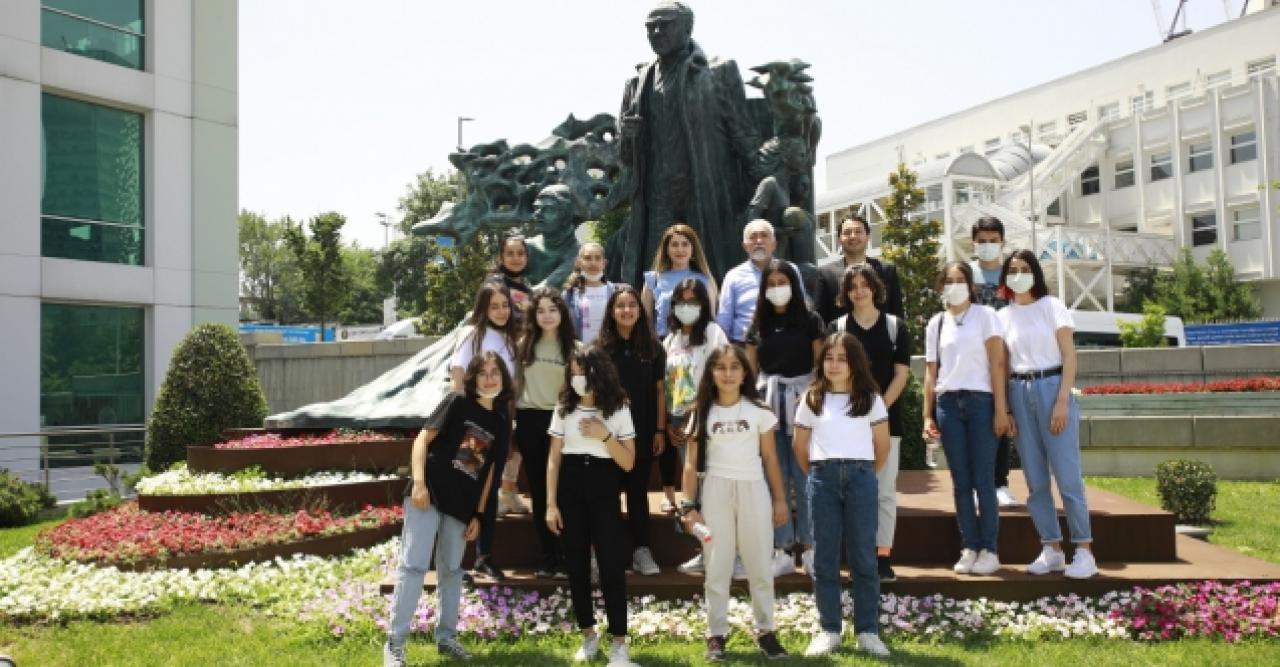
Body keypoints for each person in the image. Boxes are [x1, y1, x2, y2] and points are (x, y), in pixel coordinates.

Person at [615, 0, 760, 285]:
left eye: (665, 25)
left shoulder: (717, 71)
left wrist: (763, 175)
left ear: (686, 28)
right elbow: (625, 159)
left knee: (710, 268)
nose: (657, 32)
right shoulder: (636, 84)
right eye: (651, 27)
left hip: (703, 189)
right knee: (657, 272)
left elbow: (742, 133)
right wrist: (629, 137)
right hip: (657, 195)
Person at [383, 352, 512, 666]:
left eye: (495, 372)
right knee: (414, 567)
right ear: (473, 378)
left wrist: (479, 514)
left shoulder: (500, 422)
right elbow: (421, 440)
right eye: (483, 373)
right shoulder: (456, 402)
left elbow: (489, 473)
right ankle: (395, 644)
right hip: (427, 496)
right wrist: (419, 484)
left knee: (452, 572)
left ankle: (447, 638)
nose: (490, 379)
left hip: (462, 508)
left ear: (503, 377)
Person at [677, 344, 790, 661]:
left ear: (745, 373)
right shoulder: (701, 412)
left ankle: (766, 631)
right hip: (715, 490)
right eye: (720, 367)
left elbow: (770, 458)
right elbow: (691, 464)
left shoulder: (759, 411)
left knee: (760, 564)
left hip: (754, 489)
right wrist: (688, 506)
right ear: (711, 373)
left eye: (734, 367)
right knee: (717, 563)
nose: (727, 373)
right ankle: (716, 633)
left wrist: (780, 499)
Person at [998, 250, 1097, 579]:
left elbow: (1069, 355)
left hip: (1052, 386)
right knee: (1035, 479)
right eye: (1012, 270)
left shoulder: (1052, 306)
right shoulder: (1003, 316)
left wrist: (1062, 400)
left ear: (1035, 273)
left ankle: (1083, 550)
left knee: (1068, 477)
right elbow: (1002, 365)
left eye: (1024, 269)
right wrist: (1007, 408)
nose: (1018, 275)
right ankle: (1051, 547)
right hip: (1019, 390)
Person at [793, 332, 891, 658]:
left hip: (861, 477)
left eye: (842, 359)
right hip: (823, 479)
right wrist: (820, 474)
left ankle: (867, 630)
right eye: (829, 358)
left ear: (855, 363)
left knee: (864, 556)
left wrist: (863, 473)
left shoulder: (870, 399)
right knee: (824, 557)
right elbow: (799, 446)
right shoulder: (812, 398)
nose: (834, 365)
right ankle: (829, 629)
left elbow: (882, 446)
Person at [545, 347, 640, 666]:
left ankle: (619, 643)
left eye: (582, 372)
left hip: (604, 486)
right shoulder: (564, 408)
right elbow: (554, 459)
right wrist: (550, 503)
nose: (577, 379)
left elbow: (628, 462)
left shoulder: (619, 408)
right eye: (572, 373)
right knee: (576, 564)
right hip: (570, 487)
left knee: (612, 564)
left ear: (598, 372)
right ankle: (588, 635)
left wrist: (605, 435)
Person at [922, 262, 1009, 577]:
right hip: (948, 404)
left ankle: (989, 549)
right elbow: (931, 373)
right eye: (948, 280)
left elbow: (998, 364)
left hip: (981, 402)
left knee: (983, 479)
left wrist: (1001, 409)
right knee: (961, 481)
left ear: (971, 285)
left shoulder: (986, 316)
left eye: (960, 280)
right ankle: (969, 546)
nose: (954, 285)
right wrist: (927, 415)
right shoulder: (936, 323)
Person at [826, 264, 911, 582]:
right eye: (852, 286)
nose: (859, 291)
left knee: (884, 491)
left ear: (875, 288)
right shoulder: (837, 328)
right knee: (850, 492)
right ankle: (856, 554)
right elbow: (831, 373)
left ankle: (882, 556)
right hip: (846, 422)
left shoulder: (895, 327)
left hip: (886, 421)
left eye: (864, 285)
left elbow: (901, 375)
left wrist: (877, 410)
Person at [745, 259, 823, 578]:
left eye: (783, 283)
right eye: (772, 284)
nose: (778, 289)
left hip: (804, 405)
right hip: (768, 407)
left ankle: (811, 547)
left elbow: (820, 367)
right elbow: (750, 372)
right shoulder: (758, 325)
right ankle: (782, 548)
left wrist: (811, 398)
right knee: (774, 478)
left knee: (804, 478)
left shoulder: (810, 320)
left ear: (794, 285)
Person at [449, 283, 517, 582]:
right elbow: (458, 377)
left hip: (500, 417)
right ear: (483, 309)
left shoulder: (512, 337)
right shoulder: (472, 335)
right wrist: (461, 420)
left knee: (489, 488)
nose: (501, 311)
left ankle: (483, 556)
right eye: (494, 306)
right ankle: (455, 559)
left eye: (505, 305)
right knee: (466, 483)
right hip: (474, 419)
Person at [598, 285, 667, 576]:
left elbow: (660, 391)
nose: (626, 310)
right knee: (608, 494)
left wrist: (660, 430)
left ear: (640, 310)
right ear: (611, 311)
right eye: (620, 306)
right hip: (608, 435)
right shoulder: (600, 349)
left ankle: (642, 550)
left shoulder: (653, 348)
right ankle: (609, 552)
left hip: (643, 431)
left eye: (632, 305)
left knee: (637, 492)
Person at [514, 288, 581, 579]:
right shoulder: (523, 345)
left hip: (563, 421)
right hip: (530, 420)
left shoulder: (575, 348)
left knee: (564, 489)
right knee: (539, 490)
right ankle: (548, 556)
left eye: (552, 310)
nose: (547, 316)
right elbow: (515, 386)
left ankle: (567, 554)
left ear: (562, 313)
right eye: (540, 311)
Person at [660, 279, 728, 521]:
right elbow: (665, 384)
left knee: (710, 480)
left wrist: (700, 406)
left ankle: (721, 536)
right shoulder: (671, 339)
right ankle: (701, 537)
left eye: (693, 301)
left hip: (707, 416)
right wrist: (668, 423)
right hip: (678, 421)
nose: (686, 306)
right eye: (681, 301)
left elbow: (723, 372)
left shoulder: (713, 333)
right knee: (692, 483)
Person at [968, 216, 1020, 508]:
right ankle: (979, 485)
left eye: (993, 240)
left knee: (1002, 420)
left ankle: (1000, 483)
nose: (987, 245)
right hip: (974, 361)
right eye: (982, 241)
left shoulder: (1013, 275)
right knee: (977, 425)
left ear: (1002, 242)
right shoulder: (966, 274)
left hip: (1007, 359)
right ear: (973, 243)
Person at [485, 233, 533, 517]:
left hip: (519, 368)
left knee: (516, 436)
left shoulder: (527, 290)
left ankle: (508, 490)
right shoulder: (493, 286)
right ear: (501, 257)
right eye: (510, 253)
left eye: (520, 253)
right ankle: (486, 494)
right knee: (493, 433)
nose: (516, 258)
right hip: (494, 370)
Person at [716, 219, 809, 345]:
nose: (759, 241)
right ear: (745, 246)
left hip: (787, 340)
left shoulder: (790, 269)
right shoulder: (733, 276)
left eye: (764, 236)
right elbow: (724, 320)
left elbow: (801, 305)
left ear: (774, 244)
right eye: (753, 237)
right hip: (744, 345)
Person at [813, 215, 904, 324]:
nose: (853, 236)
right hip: (840, 334)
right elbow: (820, 320)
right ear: (839, 240)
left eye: (858, 231)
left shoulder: (887, 271)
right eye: (847, 233)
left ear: (868, 236)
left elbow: (897, 314)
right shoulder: (826, 274)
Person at [641, 223, 719, 338]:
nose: (680, 249)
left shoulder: (705, 280)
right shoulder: (653, 279)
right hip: (664, 342)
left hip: (698, 341)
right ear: (666, 249)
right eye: (674, 244)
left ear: (693, 248)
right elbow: (645, 321)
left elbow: (711, 318)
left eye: (685, 244)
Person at [563, 241, 618, 344]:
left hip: (609, 351)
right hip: (580, 351)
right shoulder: (569, 294)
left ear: (604, 263)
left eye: (598, 258)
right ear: (578, 262)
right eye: (587, 258)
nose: (593, 263)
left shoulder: (614, 292)